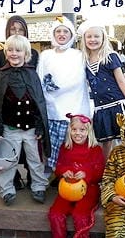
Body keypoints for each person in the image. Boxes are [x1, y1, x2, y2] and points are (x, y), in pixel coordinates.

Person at [0, 34, 50, 206]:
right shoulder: (2, 75)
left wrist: (40, 127)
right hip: (10, 128)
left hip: (31, 130)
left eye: (18, 50)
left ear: (26, 53)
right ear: (6, 53)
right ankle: (7, 190)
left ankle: (39, 186)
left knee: (35, 159)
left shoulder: (32, 74)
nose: (14, 53)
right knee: (8, 161)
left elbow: (39, 102)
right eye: (10, 50)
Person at [78, 20, 125, 159]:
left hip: (117, 104)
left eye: (96, 36)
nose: (93, 40)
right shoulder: (84, 61)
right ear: (84, 39)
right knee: (104, 143)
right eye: (89, 36)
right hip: (100, 108)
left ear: (103, 38)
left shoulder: (110, 57)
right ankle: (107, 171)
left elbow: (122, 82)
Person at [37, 16, 91, 175]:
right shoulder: (46, 55)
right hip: (51, 108)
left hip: (73, 109)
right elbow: (40, 78)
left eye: (65, 31)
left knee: (71, 147)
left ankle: (70, 175)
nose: (61, 34)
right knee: (52, 148)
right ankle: (52, 175)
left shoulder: (79, 55)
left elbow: (79, 79)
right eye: (58, 31)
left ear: (71, 34)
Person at [0, 15, 38, 190]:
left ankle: (35, 181)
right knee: (11, 151)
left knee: (33, 153)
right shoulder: (1, 54)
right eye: (13, 29)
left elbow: (35, 83)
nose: (17, 32)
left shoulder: (33, 54)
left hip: (28, 113)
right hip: (10, 112)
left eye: (20, 29)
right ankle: (12, 181)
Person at [48, 113, 105, 238]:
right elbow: (58, 167)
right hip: (67, 189)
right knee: (55, 214)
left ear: (88, 131)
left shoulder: (95, 149)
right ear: (69, 131)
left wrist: (86, 173)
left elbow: (100, 173)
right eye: (74, 129)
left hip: (88, 190)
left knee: (80, 215)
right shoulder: (66, 147)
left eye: (82, 130)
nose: (77, 133)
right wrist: (64, 171)